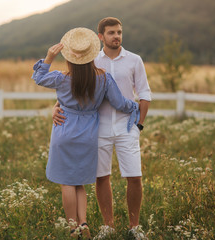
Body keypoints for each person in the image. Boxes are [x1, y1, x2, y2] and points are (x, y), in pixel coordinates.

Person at [31, 27, 139, 239]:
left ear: (70, 57)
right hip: (89, 133)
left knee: (66, 182)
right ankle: (83, 224)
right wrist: (135, 106)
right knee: (79, 182)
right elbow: (119, 103)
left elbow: (38, 77)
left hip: (64, 129)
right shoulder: (103, 78)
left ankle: (73, 229)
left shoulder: (61, 78)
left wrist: (49, 56)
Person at [52, 17, 151, 239]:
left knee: (134, 176)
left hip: (127, 127)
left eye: (119, 32)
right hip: (97, 127)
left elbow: (144, 94)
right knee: (101, 177)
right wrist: (55, 107)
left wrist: (139, 125)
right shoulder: (90, 61)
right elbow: (73, 88)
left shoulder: (134, 60)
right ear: (100, 37)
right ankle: (109, 226)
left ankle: (134, 227)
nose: (117, 36)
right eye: (111, 33)